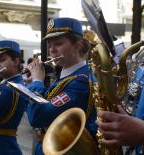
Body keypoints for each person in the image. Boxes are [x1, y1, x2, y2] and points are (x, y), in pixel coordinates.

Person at [26, 17, 97, 155]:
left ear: (78, 45)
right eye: (50, 45)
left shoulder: (80, 81)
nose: (52, 50)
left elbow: (37, 117)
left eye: (58, 44)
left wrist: (37, 82)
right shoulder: (69, 76)